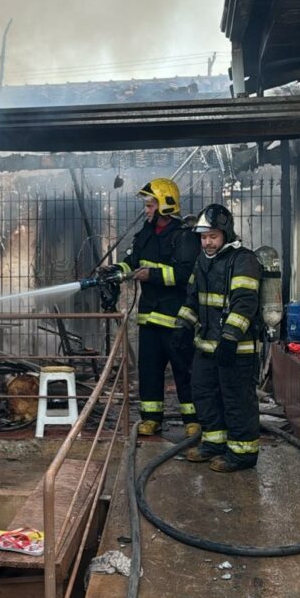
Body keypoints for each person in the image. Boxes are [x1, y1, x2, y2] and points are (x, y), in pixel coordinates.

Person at [101, 177, 201, 436]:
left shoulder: (184, 237)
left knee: (184, 369)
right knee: (149, 370)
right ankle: (151, 418)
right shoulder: (145, 234)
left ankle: (193, 420)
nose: (146, 210)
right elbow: (133, 262)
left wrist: (152, 275)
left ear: (165, 205)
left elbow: (187, 275)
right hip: (148, 317)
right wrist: (116, 270)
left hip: (176, 318)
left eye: (149, 205)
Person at [174, 203, 262, 472]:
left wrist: (230, 338)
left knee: (236, 400)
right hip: (207, 345)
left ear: (226, 233)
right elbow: (193, 299)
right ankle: (214, 443)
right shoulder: (202, 261)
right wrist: (182, 327)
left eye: (212, 236)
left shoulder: (243, 260)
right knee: (203, 394)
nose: (207, 242)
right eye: (203, 237)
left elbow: (245, 303)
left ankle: (242, 453)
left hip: (236, 349)